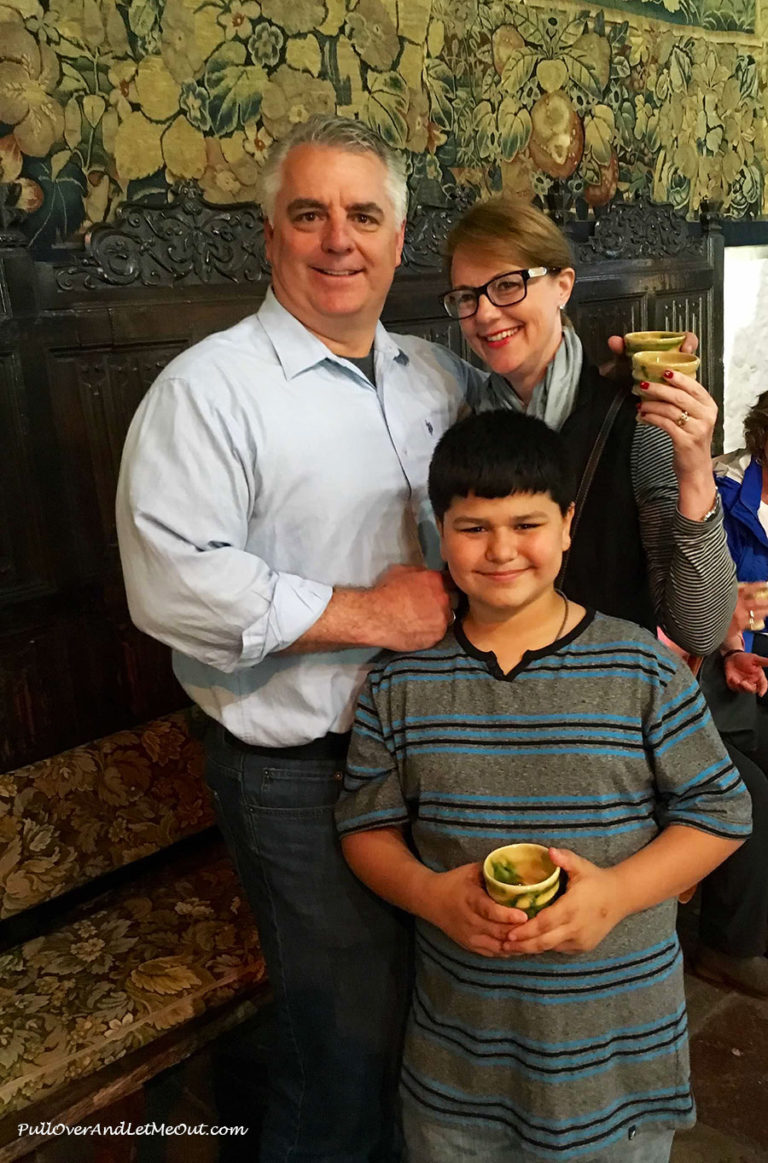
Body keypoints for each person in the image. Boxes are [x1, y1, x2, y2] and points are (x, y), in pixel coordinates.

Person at [115, 114, 486, 1162]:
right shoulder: (208, 390)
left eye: (363, 215)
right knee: (342, 1057)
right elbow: (173, 580)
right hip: (300, 773)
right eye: (309, 213)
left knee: (416, 1024)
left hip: (430, 753)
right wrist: (369, 611)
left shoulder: (435, 378)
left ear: (398, 239)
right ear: (270, 235)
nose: (339, 240)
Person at [336, 409, 751, 1162]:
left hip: (620, 1062)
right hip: (461, 1067)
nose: (501, 550)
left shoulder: (641, 668)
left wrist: (618, 893)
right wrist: (430, 894)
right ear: (439, 530)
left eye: (526, 523)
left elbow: (722, 810)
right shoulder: (398, 683)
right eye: (473, 526)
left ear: (566, 524)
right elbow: (366, 826)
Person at [441, 196, 768, 994]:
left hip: (624, 700)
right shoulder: (453, 412)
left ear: (563, 285)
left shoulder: (636, 415)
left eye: (509, 285)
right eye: (467, 296)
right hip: (515, 707)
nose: (487, 313)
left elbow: (693, 616)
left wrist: (694, 468)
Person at [691, 390, 768, 991]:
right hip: (707, 668)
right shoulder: (719, 497)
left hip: (729, 660)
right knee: (749, 788)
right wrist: (733, 641)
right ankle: (729, 946)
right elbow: (711, 605)